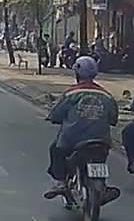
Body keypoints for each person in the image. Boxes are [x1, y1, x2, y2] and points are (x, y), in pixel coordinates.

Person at [43, 55, 119, 197]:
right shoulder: (107, 95)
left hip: (72, 141)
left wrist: (53, 118)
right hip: (101, 141)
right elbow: (113, 119)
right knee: (100, 157)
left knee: (55, 150)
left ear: (77, 73)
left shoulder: (71, 93)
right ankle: (102, 185)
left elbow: (56, 114)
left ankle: (60, 182)